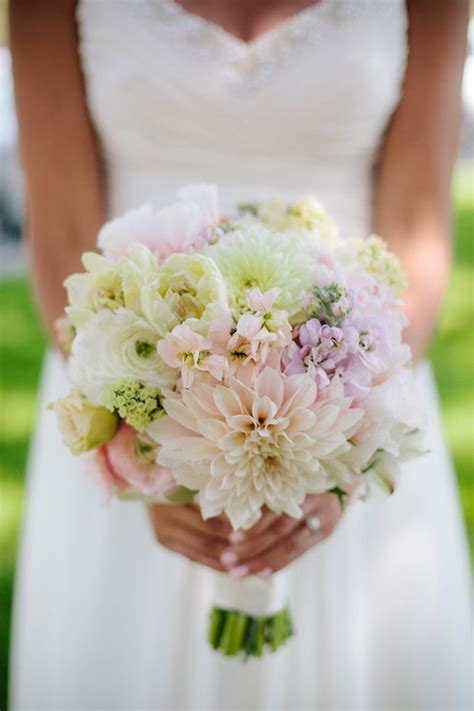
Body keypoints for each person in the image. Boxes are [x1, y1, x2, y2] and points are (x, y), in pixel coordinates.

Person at [9, 1, 472, 709]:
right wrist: (145, 448)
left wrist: (339, 458)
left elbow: (415, 224)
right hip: (125, 375)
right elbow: (62, 229)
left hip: (351, 383)